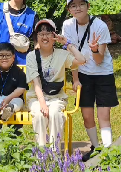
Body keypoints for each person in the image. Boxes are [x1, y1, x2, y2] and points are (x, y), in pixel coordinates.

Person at [61, 0, 119, 161]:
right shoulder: (67, 26)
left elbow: (99, 60)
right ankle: (96, 148)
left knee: (103, 116)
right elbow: (71, 56)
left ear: (88, 6)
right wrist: (75, 79)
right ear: (69, 9)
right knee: (86, 115)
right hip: (83, 74)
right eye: (73, 5)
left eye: (81, 4)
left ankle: (108, 152)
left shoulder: (100, 26)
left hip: (103, 74)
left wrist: (94, 49)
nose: (78, 8)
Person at [25, 19, 87, 148]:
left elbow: (81, 60)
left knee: (55, 114)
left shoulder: (62, 54)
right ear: (37, 37)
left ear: (54, 36)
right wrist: (42, 103)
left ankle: (55, 152)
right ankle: (41, 152)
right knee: (39, 114)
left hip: (56, 97)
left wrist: (66, 43)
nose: (45, 37)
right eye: (41, 34)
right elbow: (36, 82)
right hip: (36, 97)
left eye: (48, 33)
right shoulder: (31, 56)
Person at [0, 42, 28, 133]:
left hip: (12, 99)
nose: (4, 58)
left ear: (13, 57)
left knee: (18, 101)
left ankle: (9, 110)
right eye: (1, 55)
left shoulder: (19, 72)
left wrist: (8, 98)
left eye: (8, 55)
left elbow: (21, 88)